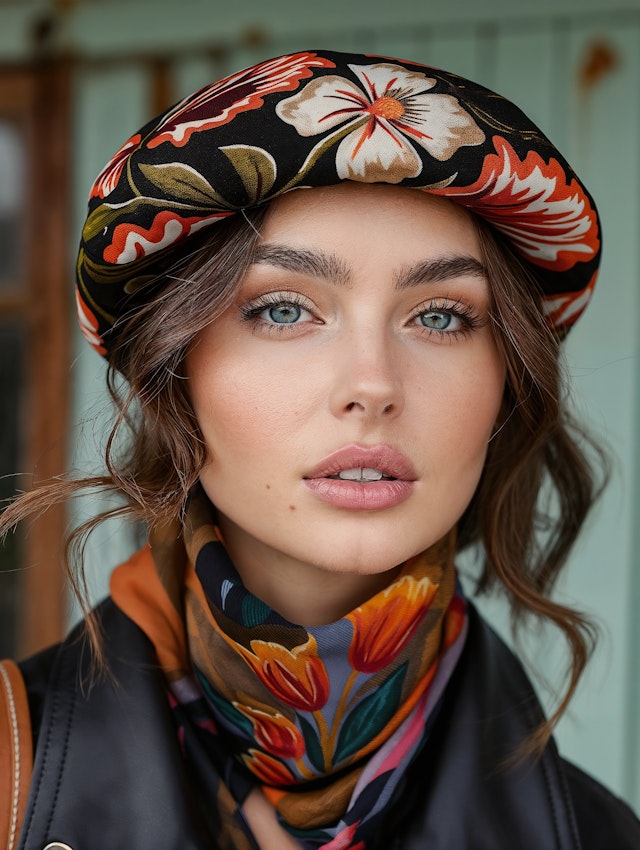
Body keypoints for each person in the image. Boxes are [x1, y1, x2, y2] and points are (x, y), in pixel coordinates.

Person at [1, 49, 639, 850]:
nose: (372, 385)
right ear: (175, 372)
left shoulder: (599, 835)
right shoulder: (11, 781)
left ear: (506, 384)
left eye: (441, 316)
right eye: (281, 310)